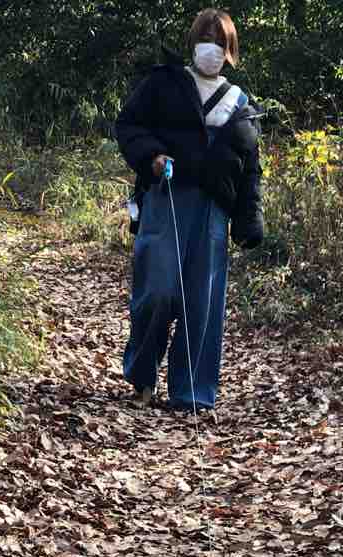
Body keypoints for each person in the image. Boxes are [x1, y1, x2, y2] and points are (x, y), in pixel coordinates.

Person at [115, 8, 264, 413]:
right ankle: (142, 376)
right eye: (205, 39)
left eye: (219, 42)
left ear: (230, 50)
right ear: (193, 43)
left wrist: (249, 220)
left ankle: (192, 394)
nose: (210, 48)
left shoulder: (240, 103)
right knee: (158, 291)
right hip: (165, 199)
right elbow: (128, 125)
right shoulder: (164, 83)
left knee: (202, 303)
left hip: (214, 211)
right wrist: (152, 156)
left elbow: (250, 168)